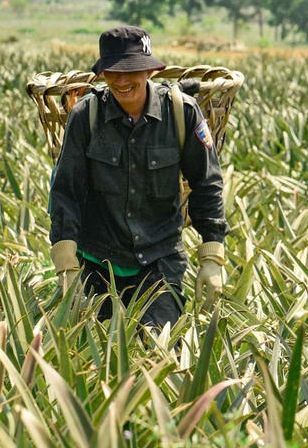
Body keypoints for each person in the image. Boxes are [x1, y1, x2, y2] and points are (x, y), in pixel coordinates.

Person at [48, 25, 228, 329]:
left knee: (157, 348)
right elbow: (66, 191)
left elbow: (206, 184)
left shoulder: (182, 113)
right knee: (94, 360)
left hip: (160, 261)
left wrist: (212, 255)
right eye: (113, 72)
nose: (121, 80)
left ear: (151, 71)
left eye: (131, 70)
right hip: (96, 262)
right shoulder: (86, 116)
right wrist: (66, 265)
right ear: (102, 74)